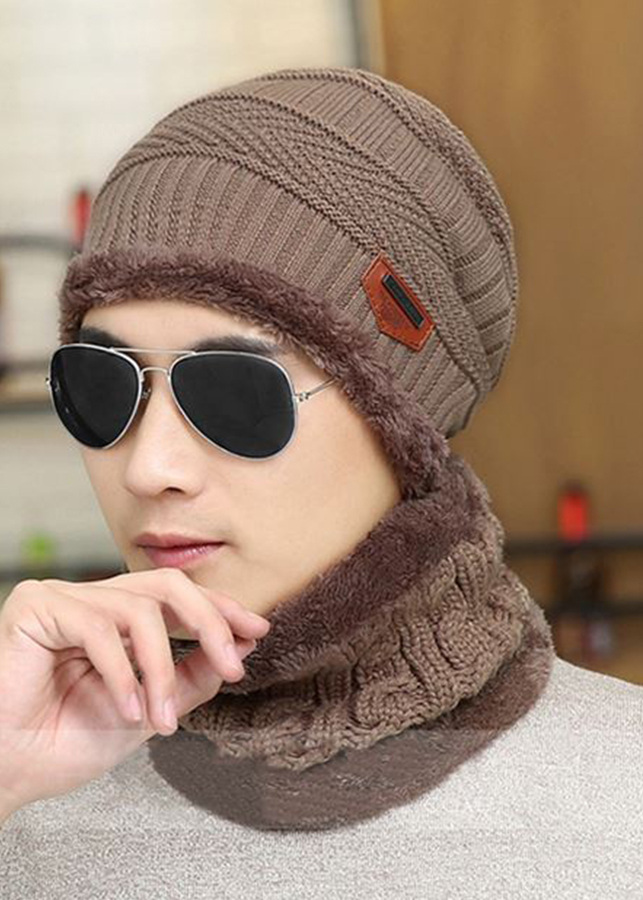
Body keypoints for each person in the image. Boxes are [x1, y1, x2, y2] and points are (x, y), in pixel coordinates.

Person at [1, 65, 642, 898]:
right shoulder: (31, 783)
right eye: (101, 385)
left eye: (235, 394)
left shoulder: (618, 802)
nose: (150, 467)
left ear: (401, 421)